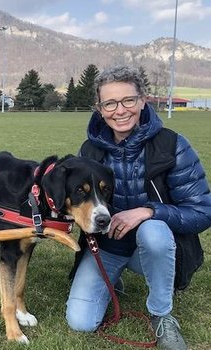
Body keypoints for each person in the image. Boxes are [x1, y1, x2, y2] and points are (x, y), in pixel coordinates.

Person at [66, 65, 211, 350]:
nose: (120, 110)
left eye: (128, 100)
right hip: (108, 245)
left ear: (143, 100)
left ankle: (161, 315)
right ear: (99, 108)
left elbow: (203, 211)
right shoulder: (89, 150)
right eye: (110, 103)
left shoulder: (173, 145)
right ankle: (111, 279)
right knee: (80, 322)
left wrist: (149, 211)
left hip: (159, 245)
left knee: (153, 231)